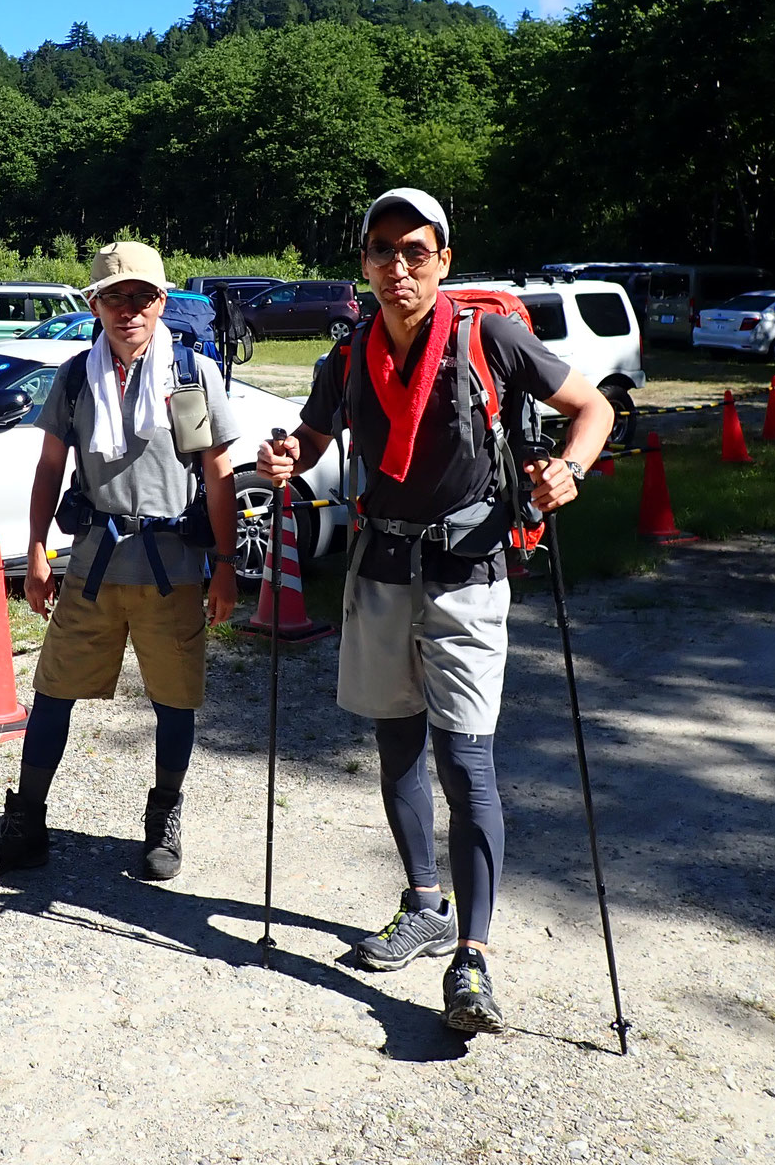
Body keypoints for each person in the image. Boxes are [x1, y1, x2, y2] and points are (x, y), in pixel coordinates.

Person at [257, 189, 612, 1034]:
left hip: (467, 572)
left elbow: (592, 407)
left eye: (414, 250)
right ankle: (425, 903)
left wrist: (571, 471)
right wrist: (286, 458)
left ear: (443, 259)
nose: (397, 266)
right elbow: (311, 439)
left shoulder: (487, 337)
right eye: (381, 251)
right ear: (367, 264)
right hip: (379, 567)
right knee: (396, 744)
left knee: (465, 761)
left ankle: (474, 962)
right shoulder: (346, 358)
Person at [0, 241, 241, 883]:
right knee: (53, 693)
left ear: (161, 302)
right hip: (92, 567)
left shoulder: (189, 376)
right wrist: (34, 551)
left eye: (142, 296)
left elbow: (217, 476)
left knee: (175, 703)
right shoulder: (78, 376)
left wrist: (225, 564)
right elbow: (50, 467)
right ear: (96, 304)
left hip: (172, 569)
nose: (129, 309)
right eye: (115, 296)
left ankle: (163, 816)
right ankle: (25, 823)